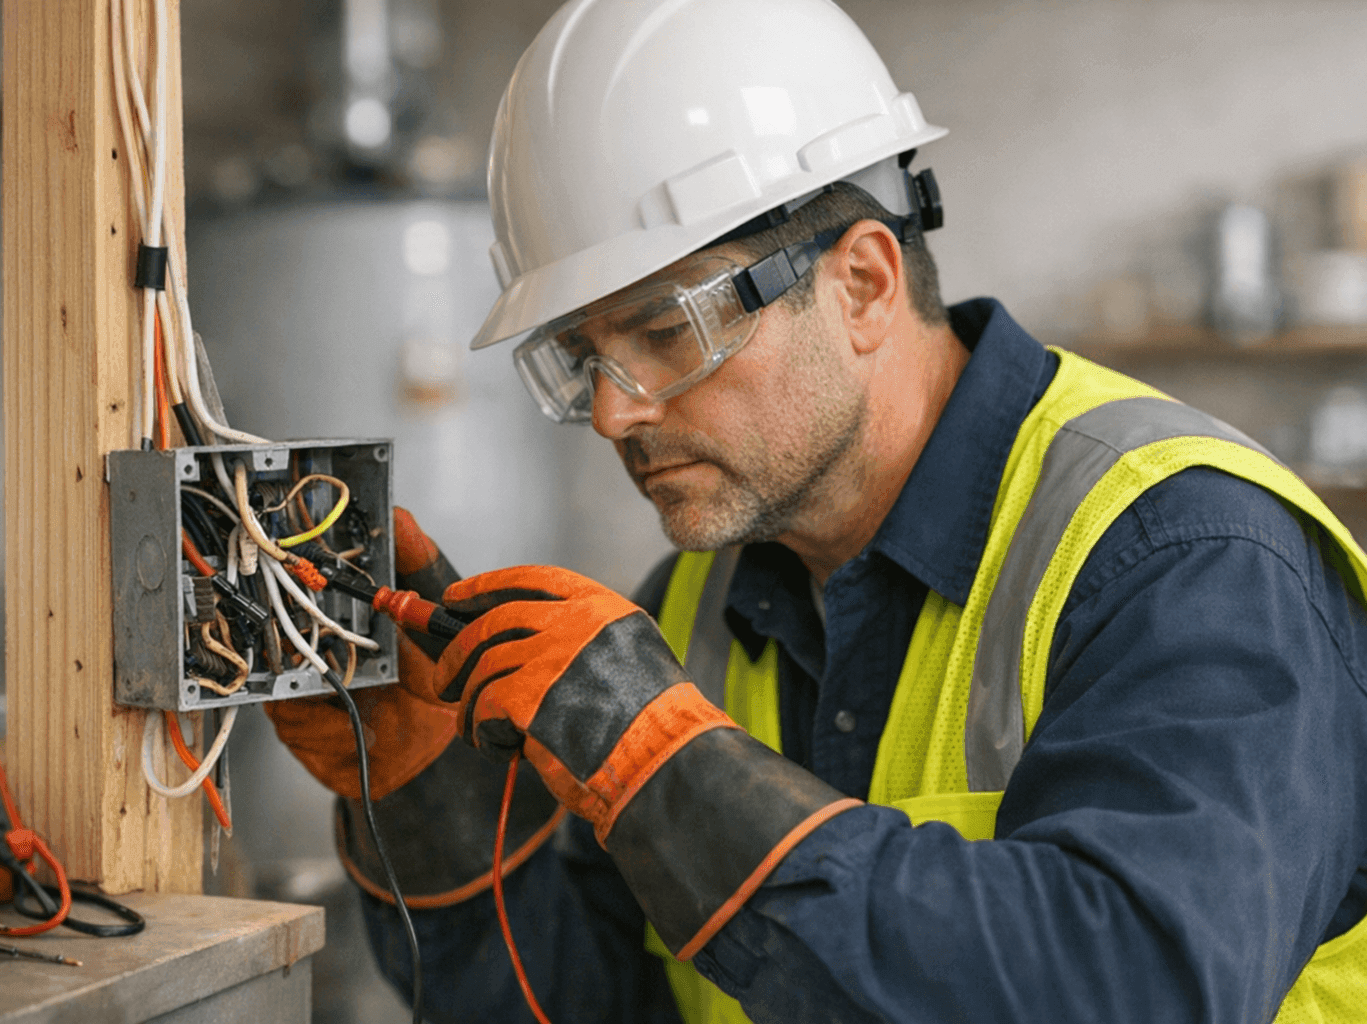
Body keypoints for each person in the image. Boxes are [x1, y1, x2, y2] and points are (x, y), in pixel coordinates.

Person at [268, 1, 1367, 1020]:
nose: (612, 412)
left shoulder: (1186, 561)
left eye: (665, 330)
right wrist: (431, 796)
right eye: (579, 361)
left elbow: (1133, 984)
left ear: (863, 284)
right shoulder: (697, 606)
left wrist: (669, 771)